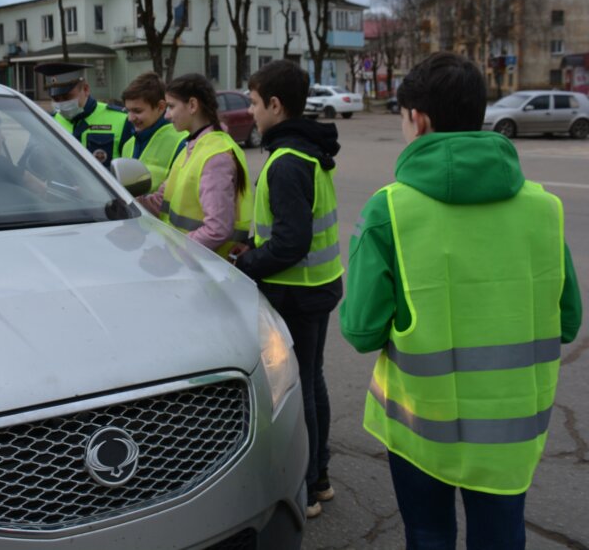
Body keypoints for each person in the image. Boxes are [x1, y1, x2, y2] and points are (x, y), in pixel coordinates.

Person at [340, 52, 582, 549]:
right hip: (512, 428)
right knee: (501, 537)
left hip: (419, 425)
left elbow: (361, 330)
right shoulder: (545, 209)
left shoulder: (389, 209)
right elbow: (568, 320)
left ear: (418, 119)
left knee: (428, 534)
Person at [232, 59, 343, 519]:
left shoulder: (287, 162)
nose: (252, 113)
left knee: (300, 389)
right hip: (315, 287)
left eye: (255, 104)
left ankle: (311, 485)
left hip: (296, 291)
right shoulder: (304, 150)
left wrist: (246, 263)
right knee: (312, 381)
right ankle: (320, 477)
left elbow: (291, 242)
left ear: (276, 105)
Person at [139, 73, 251, 258]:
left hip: (205, 268)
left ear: (192, 105)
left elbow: (218, 228)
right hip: (191, 264)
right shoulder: (194, 146)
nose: (167, 115)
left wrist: (175, 249)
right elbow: (162, 200)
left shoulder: (215, 156)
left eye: (171, 106)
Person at [34, 61, 131, 166]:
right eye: (56, 99)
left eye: (67, 97)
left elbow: (131, 167)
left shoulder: (121, 119)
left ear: (86, 89)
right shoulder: (47, 123)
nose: (62, 103)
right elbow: (31, 166)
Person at [119, 71, 188, 192]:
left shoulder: (182, 142)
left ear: (161, 107)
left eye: (137, 111)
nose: (130, 118)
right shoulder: (128, 145)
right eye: (127, 110)